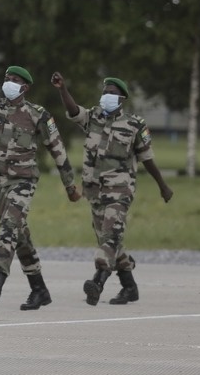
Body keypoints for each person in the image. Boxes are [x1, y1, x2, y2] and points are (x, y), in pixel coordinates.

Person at [0, 66, 81, 313]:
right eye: (6, 78)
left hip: (24, 182)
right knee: (19, 236)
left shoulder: (37, 114)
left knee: (8, 229)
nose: (8, 82)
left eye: (14, 80)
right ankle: (39, 289)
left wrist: (70, 185)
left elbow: (57, 149)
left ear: (25, 87)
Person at [51, 72, 173, 306]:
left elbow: (147, 159)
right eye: (104, 92)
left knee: (110, 238)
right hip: (95, 191)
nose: (106, 96)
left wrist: (163, 186)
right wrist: (62, 89)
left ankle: (97, 282)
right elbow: (74, 111)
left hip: (120, 190)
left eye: (112, 93)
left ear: (122, 98)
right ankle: (130, 287)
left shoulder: (134, 124)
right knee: (110, 240)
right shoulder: (93, 117)